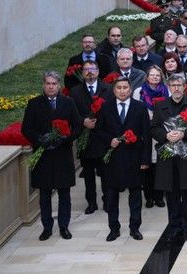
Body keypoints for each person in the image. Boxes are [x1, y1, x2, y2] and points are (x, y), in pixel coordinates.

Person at [22, 71, 83, 241]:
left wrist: (65, 139)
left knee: (64, 192)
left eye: (54, 84)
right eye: (48, 83)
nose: (51, 86)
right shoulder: (34, 104)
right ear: (44, 85)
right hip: (44, 156)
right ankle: (47, 228)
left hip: (62, 154)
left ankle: (64, 227)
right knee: (45, 193)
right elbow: (26, 128)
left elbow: (77, 126)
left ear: (59, 85)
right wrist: (40, 140)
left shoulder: (68, 103)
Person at [95, 76, 152, 242]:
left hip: (134, 158)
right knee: (111, 197)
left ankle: (135, 228)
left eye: (125, 88)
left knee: (135, 196)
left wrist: (145, 160)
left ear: (130, 89)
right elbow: (98, 131)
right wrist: (109, 140)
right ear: (114, 90)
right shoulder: (105, 108)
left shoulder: (140, 107)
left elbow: (146, 136)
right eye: (118, 88)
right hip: (112, 159)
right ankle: (114, 229)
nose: (122, 91)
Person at [151, 75, 187, 242]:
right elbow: (154, 129)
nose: (176, 88)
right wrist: (166, 135)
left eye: (179, 85)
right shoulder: (160, 105)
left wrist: (184, 134)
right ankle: (174, 227)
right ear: (168, 87)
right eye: (173, 85)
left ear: (184, 86)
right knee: (172, 194)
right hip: (168, 156)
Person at [70, 61, 113, 214]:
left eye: (92, 69)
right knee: (88, 174)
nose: (89, 72)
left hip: (103, 139)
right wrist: (83, 122)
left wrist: (98, 123)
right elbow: (72, 114)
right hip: (85, 140)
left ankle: (107, 200)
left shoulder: (108, 89)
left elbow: (111, 112)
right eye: (86, 69)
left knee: (106, 173)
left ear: (98, 71)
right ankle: (91, 203)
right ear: (82, 73)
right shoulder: (75, 91)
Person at [132, 65, 168, 208]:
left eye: (157, 75)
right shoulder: (139, 92)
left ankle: (159, 197)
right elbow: (135, 111)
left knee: (160, 166)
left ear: (161, 77)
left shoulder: (166, 91)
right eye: (151, 75)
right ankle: (149, 197)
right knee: (146, 166)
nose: (154, 77)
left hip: (161, 131)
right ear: (147, 77)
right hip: (144, 133)